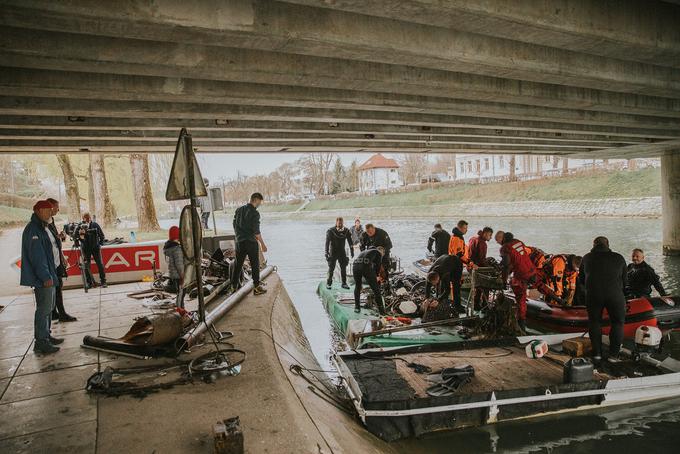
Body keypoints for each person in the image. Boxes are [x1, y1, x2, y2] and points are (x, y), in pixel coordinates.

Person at [20, 201, 64, 354]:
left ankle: (46, 335)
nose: (50, 212)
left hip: (50, 273)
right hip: (43, 277)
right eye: (47, 210)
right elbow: (37, 257)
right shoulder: (34, 229)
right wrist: (46, 276)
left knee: (49, 308)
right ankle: (41, 342)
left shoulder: (43, 226)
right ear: (38, 211)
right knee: (43, 309)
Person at [579, 236, 628, 363]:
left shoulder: (586, 258)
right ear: (608, 244)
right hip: (615, 295)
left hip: (593, 295)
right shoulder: (619, 257)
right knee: (618, 323)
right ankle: (613, 356)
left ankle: (597, 355)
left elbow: (581, 280)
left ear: (594, 244)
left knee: (595, 322)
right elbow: (625, 281)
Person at [499, 232, 561, 332]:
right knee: (541, 286)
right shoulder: (519, 242)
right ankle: (558, 300)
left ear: (504, 239)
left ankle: (522, 324)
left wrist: (503, 280)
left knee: (521, 298)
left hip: (521, 275)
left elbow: (506, 266)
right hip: (531, 270)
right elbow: (519, 257)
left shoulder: (504, 248)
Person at [46, 198, 76, 322]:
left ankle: (55, 311)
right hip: (50, 262)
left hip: (57, 259)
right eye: (56, 207)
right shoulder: (43, 223)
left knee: (57, 286)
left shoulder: (51, 221)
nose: (58, 210)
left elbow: (54, 242)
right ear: (50, 207)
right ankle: (60, 313)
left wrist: (62, 256)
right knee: (56, 287)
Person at [231, 192, 268, 295]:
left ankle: (233, 287)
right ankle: (256, 287)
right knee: (255, 264)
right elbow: (256, 232)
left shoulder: (239, 210)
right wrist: (263, 244)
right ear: (255, 200)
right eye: (259, 202)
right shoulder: (255, 213)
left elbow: (234, 224)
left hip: (240, 242)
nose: (259, 204)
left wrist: (239, 236)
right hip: (251, 243)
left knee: (238, 264)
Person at [352, 246, 385, 314]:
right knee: (376, 290)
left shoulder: (365, 251)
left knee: (357, 286)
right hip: (365, 266)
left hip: (355, 266)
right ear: (381, 251)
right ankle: (382, 311)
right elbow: (377, 266)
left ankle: (357, 307)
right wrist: (377, 276)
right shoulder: (378, 252)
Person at [77, 212, 107, 288]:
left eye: (88, 218)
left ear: (90, 218)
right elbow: (79, 238)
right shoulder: (80, 226)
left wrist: (99, 244)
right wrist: (81, 235)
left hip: (95, 248)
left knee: (100, 264)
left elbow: (102, 235)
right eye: (85, 218)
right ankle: (89, 283)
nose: (86, 220)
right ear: (82, 218)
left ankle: (103, 281)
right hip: (85, 248)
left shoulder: (95, 225)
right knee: (87, 265)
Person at [360, 224, 393, 289]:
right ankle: (375, 287)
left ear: (374, 228)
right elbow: (362, 246)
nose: (369, 234)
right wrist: (364, 254)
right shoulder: (364, 235)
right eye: (368, 232)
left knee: (383, 272)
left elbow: (390, 245)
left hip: (383, 255)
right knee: (372, 272)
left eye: (371, 232)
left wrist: (383, 250)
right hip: (372, 256)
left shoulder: (382, 233)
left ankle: (386, 286)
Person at [325, 217, 354, 290]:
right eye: (339, 223)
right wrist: (326, 252)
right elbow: (327, 242)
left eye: (341, 223)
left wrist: (352, 250)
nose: (340, 224)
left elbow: (350, 241)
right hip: (333, 252)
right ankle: (329, 283)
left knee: (343, 268)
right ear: (336, 223)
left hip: (342, 251)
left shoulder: (346, 231)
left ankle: (344, 283)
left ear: (343, 223)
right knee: (331, 268)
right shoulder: (331, 231)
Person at [468, 227, 493, 309]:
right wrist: (490, 268)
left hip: (470, 266)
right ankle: (484, 305)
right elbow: (482, 259)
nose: (491, 237)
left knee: (478, 286)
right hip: (478, 267)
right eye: (490, 235)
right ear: (485, 234)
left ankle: (475, 304)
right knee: (486, 285)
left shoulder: (473, 238)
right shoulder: (482, 243)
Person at [163, 226, 184, 297]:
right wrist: (183, 276)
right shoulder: (177, 249)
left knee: (178, 294)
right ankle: (180, 307)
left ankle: (179, 307)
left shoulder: (168, 247)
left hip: (172, 274)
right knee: (181, 294)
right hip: (178, 276)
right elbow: (179, 264)